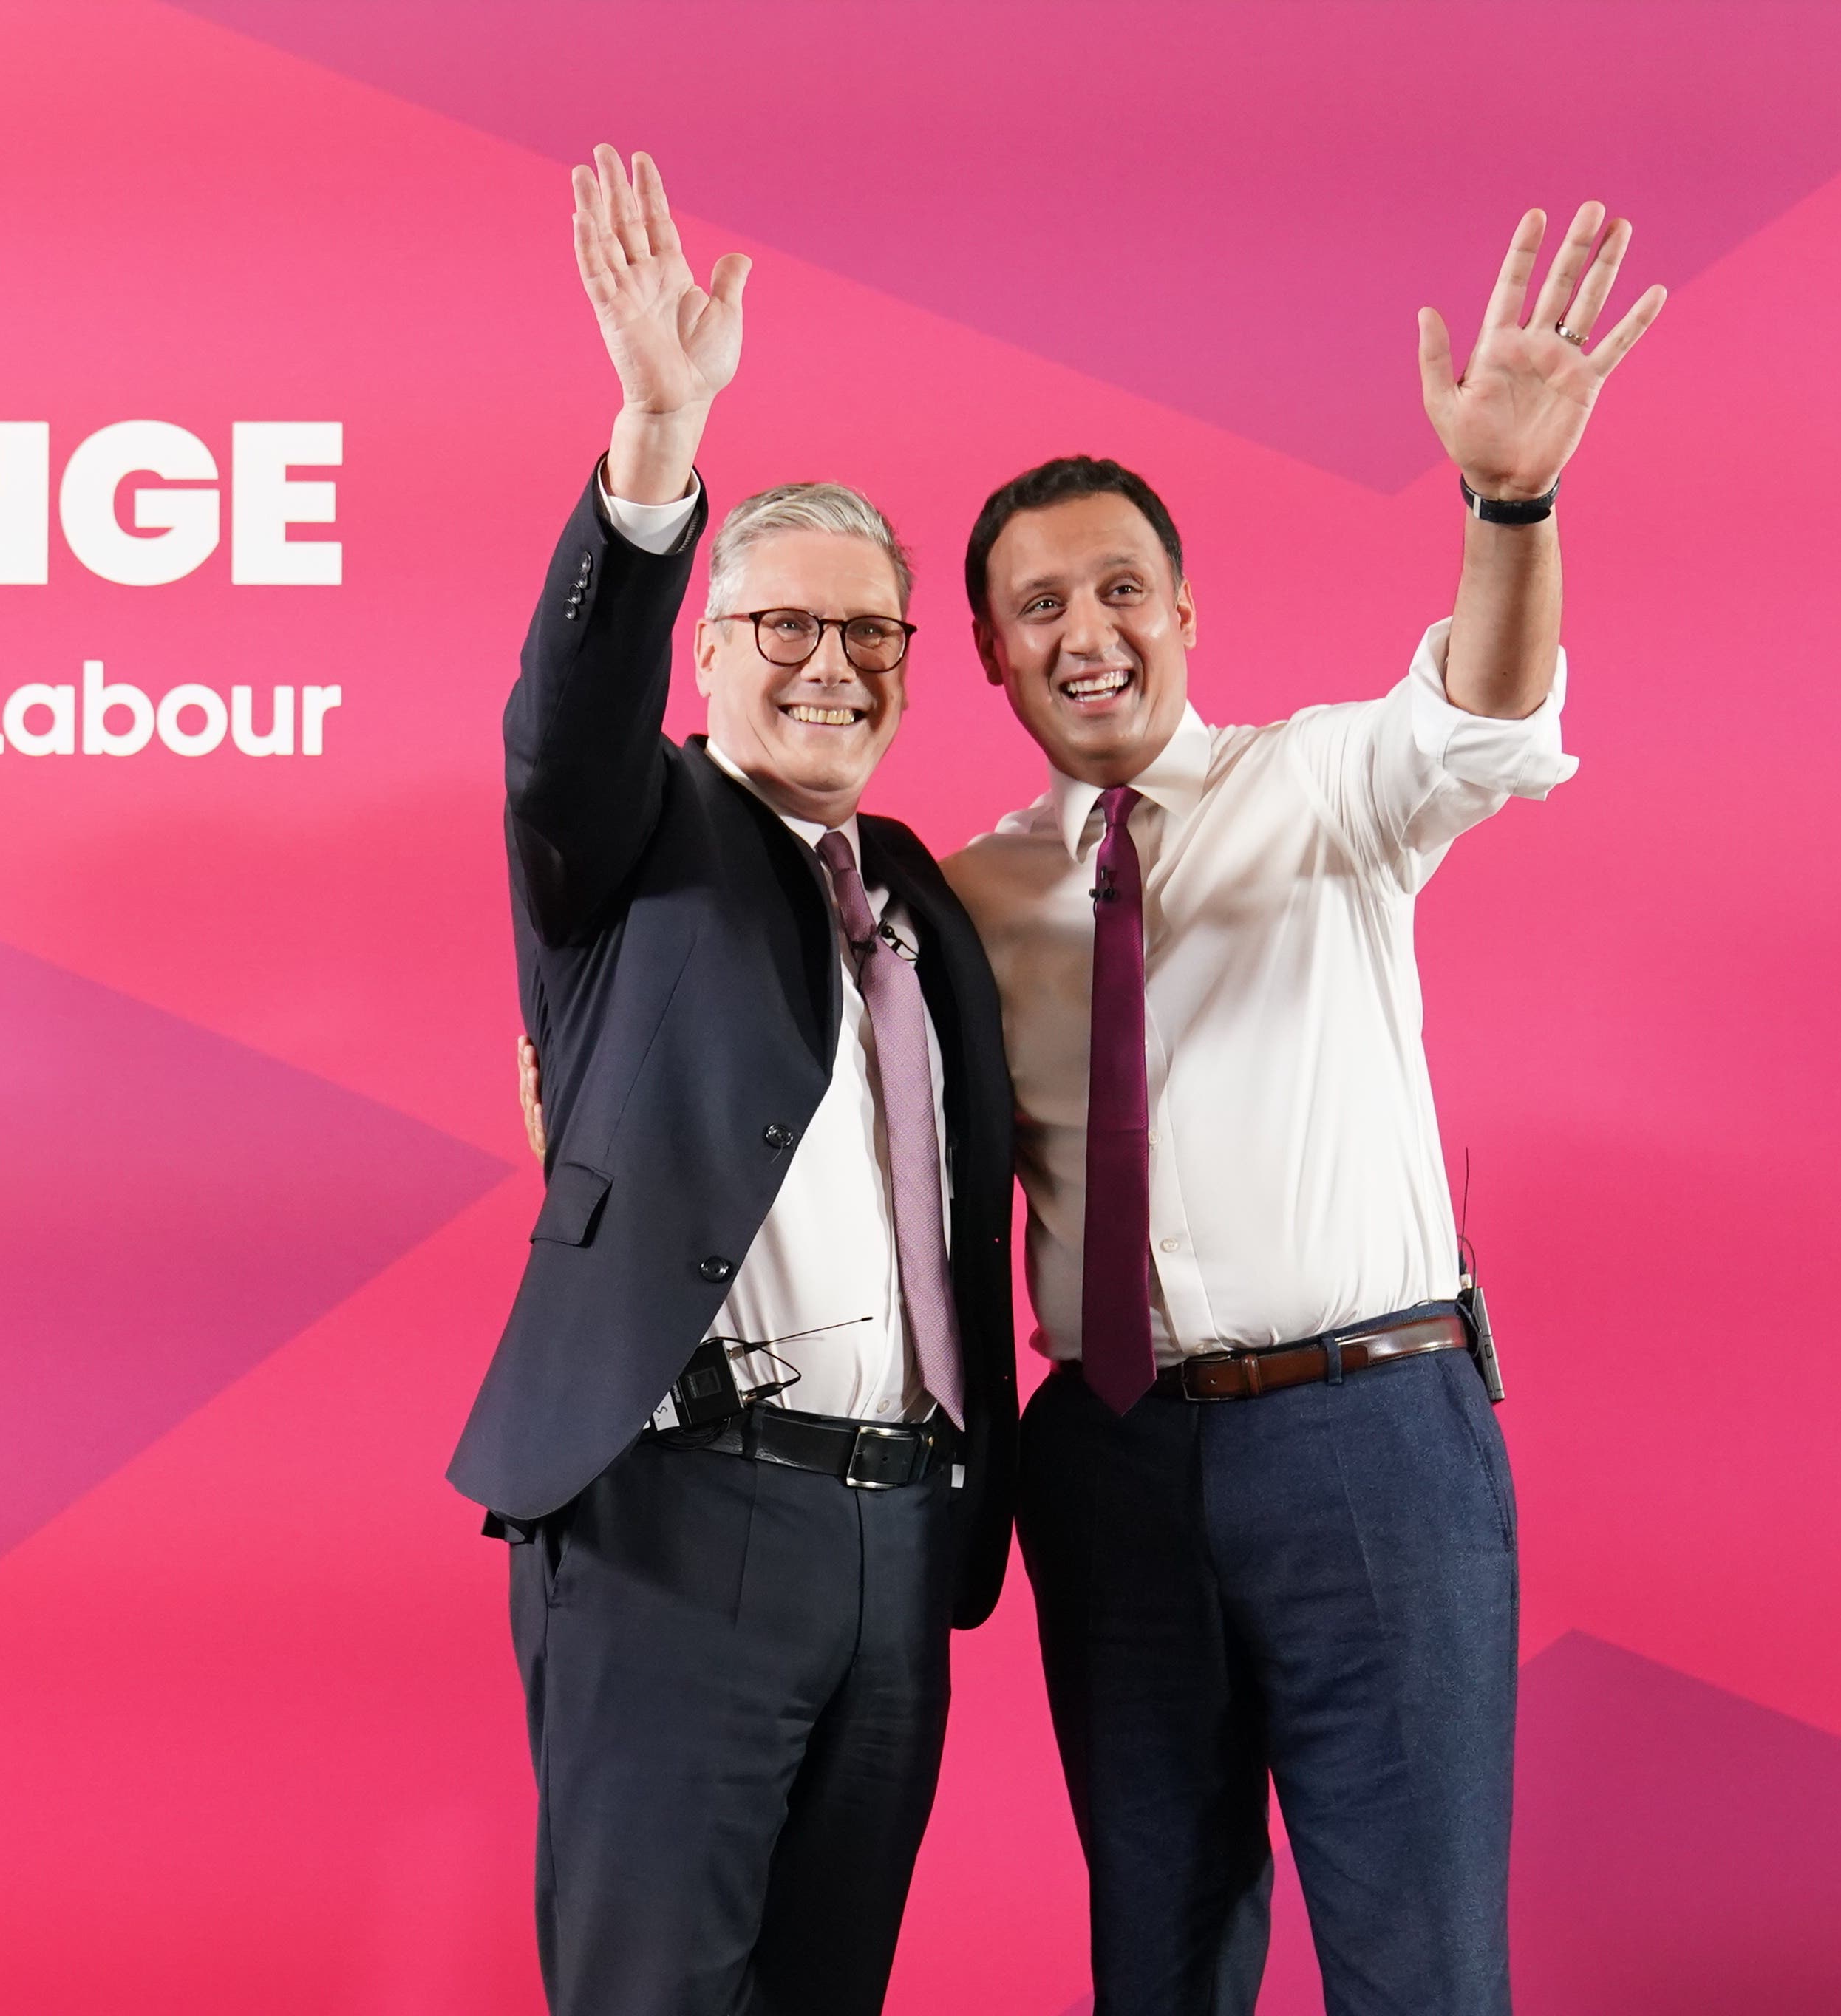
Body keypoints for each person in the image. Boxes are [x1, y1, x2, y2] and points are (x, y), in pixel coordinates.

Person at [939, 205, 1667, 2015]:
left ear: (1186, 612)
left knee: (1418, 1963)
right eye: (1042, 605)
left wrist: (1509, 505)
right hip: (1104, 1462)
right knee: (1157, 1963)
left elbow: (1483, 716)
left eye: (1121, 589)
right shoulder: (960, 901)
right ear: (989, 653)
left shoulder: (1325, 786)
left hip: (1365, 1433)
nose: (1087, 630)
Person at [449, 146, 1020, 2016]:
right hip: (679, 1512)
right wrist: (655, 448)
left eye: (872, 634)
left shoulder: (920, 901)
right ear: (709, 651)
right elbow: (566, 723)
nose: (832, 666)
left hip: (893, 1539)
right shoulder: (633, 832)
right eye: (785, 624)